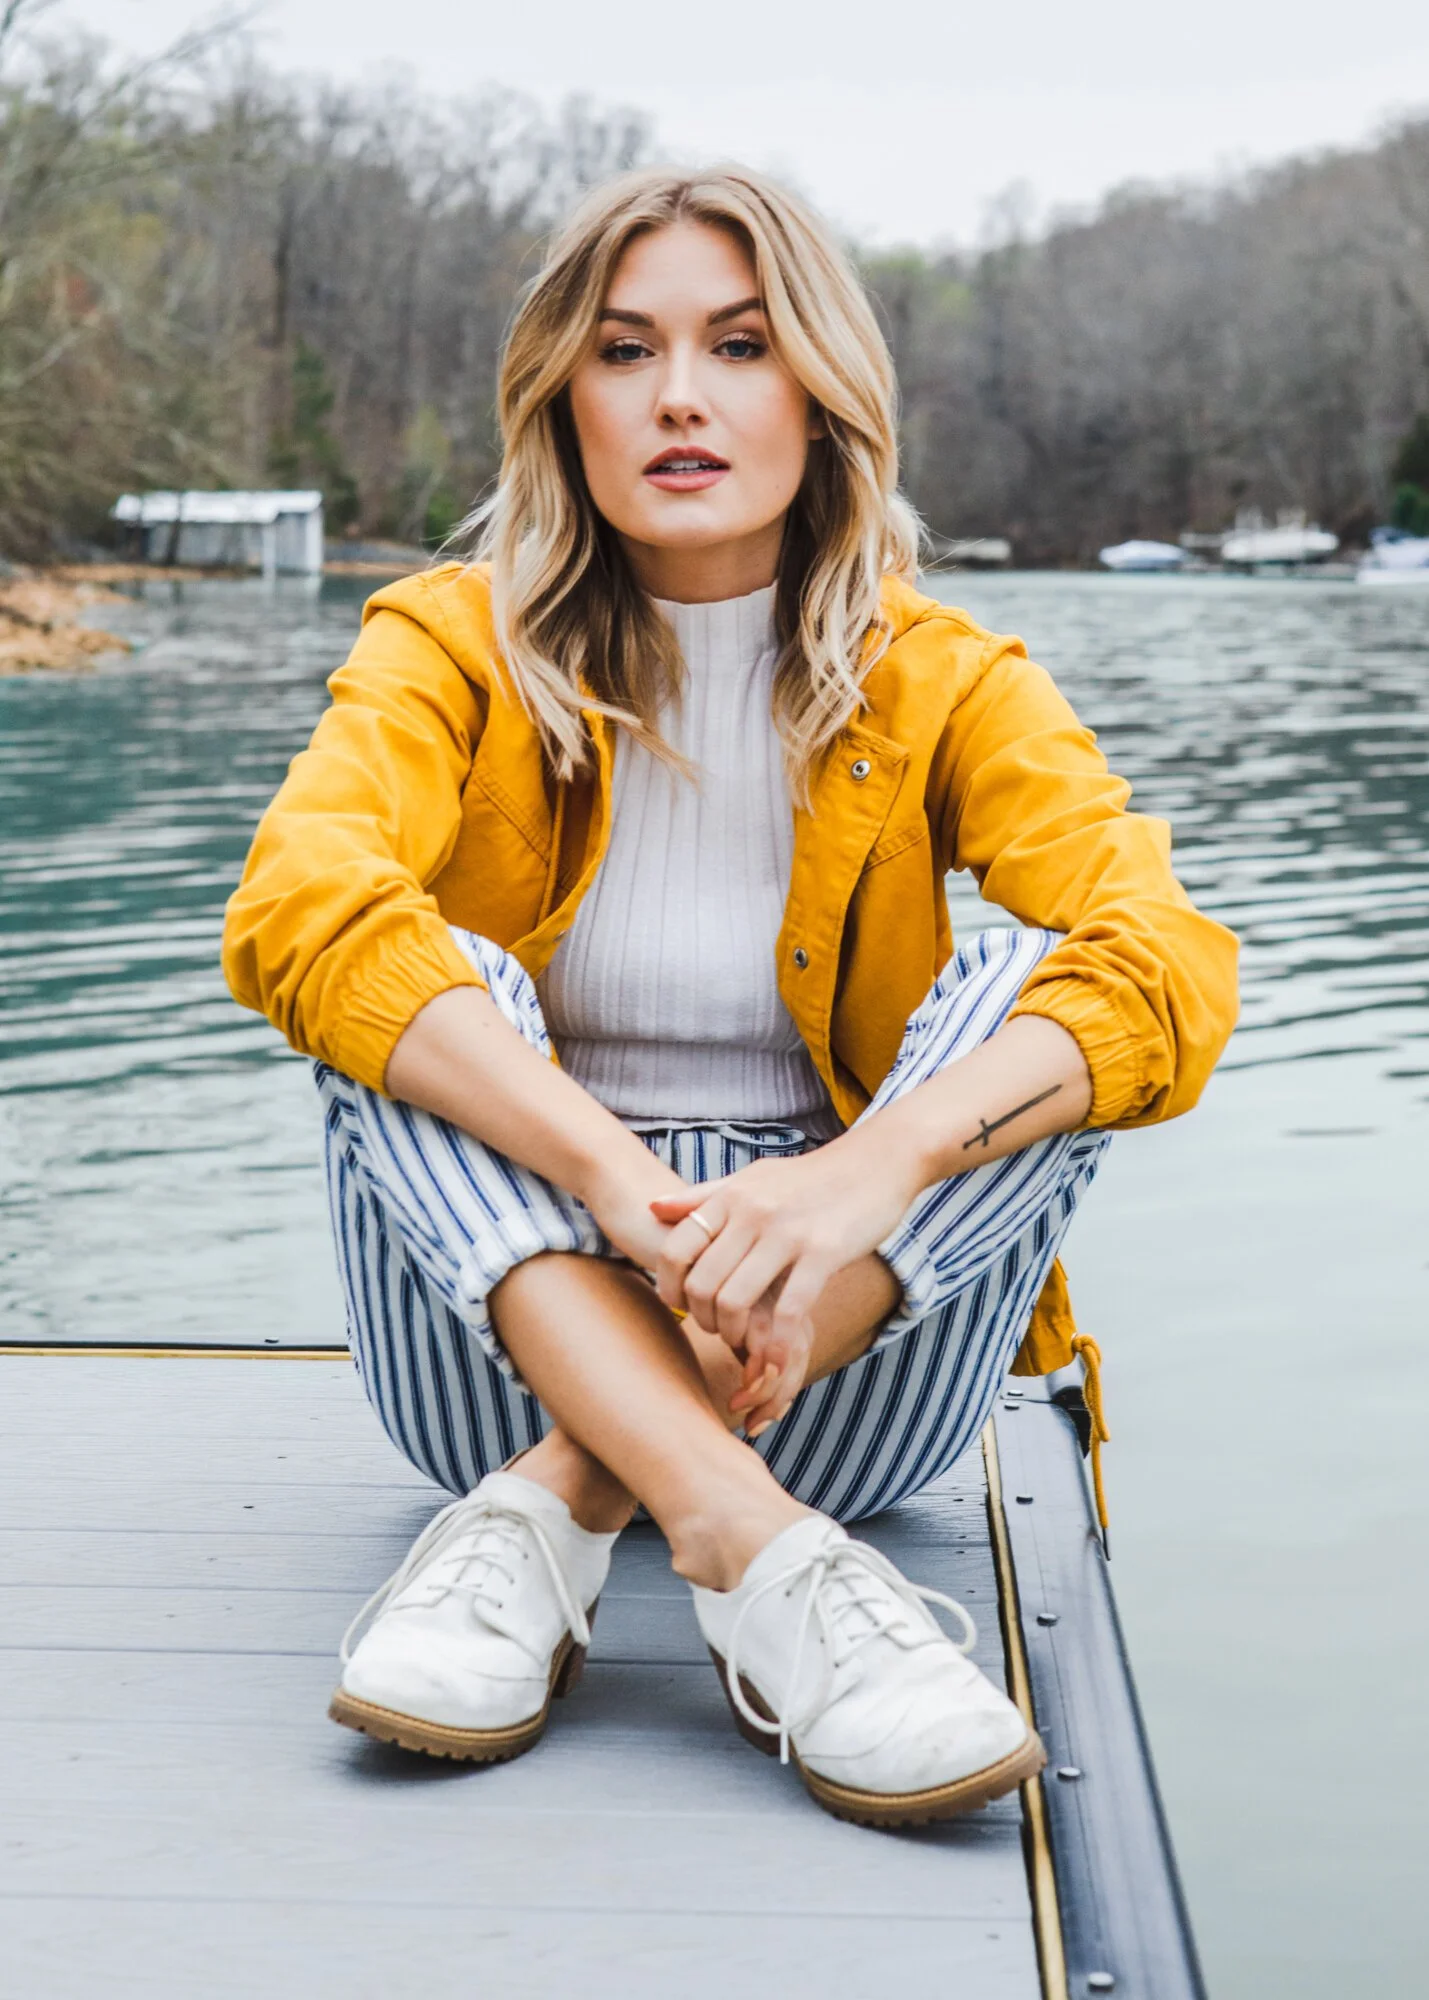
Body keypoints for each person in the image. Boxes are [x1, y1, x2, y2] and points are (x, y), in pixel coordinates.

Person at [222, 166, 1238, 1829]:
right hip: (496, 1352)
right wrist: (619, 1184)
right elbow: (295, 904)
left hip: (841, 1362)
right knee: (403, 973)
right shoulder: (446, 651)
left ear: (822, 394)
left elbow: (1171, 961)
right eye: (625, 350)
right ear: (564, 401)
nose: (680, 395)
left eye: (740, 345)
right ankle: (759, 1560)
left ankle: (568, 1509)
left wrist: (863, 1175)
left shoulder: (949, 680)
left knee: (1048, 999)